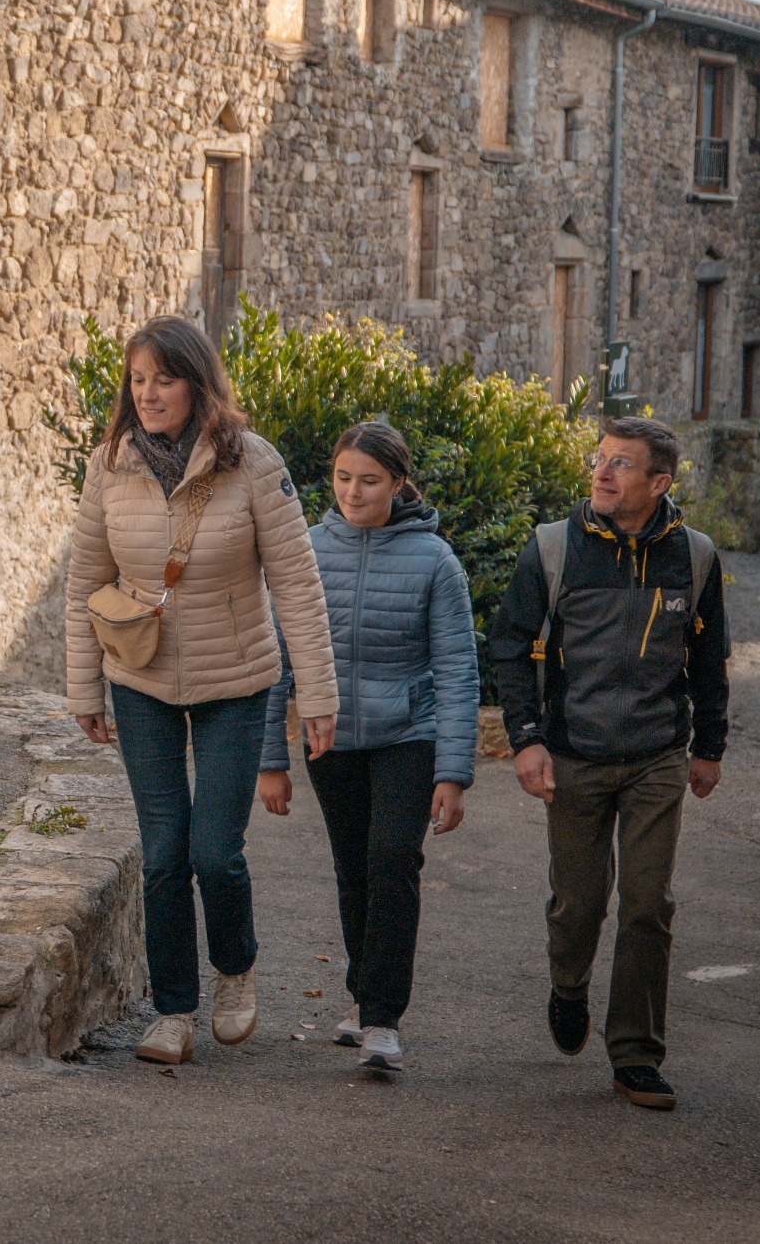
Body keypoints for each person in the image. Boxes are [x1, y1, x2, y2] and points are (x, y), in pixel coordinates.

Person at [66, 316, 339, 1065]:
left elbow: (299, 588)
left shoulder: (252, 464)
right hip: (140, 679)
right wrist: (83, 686)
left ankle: (236, 968)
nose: (148, 394)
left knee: (214, 852)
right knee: (162, 854)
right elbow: (84, 583)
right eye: (138, 379)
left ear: (198, 382)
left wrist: (317, 697)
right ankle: (173, 1011)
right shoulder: (109, 466)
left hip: (236, 682)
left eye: (165, 378)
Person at [490, 415, 729, 1111]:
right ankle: (569, 984)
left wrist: (709, 745)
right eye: (600, 459)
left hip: (657, 755)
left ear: (658, 483)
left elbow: (709, 659)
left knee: (649, 905)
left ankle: (636, 1056)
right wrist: (527, 737)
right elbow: (510, 644)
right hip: (574, 754)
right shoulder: (554, 548)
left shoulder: (697, 557)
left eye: (621, 464)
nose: (601, 472)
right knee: (579, 905)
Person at [258, 422, 479, 1075]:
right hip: (332, 741)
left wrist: (454, 771)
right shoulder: (305, 551)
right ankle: (363, 999)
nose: (354, 491)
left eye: (370, 480)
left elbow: (459, 672)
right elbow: (278, 662)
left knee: (391, 861)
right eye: (344, 478)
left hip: (409, 735)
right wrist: (272, 760)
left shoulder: (436, 562)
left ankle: (382, 1018)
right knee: (354, 869)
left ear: (399, 483)